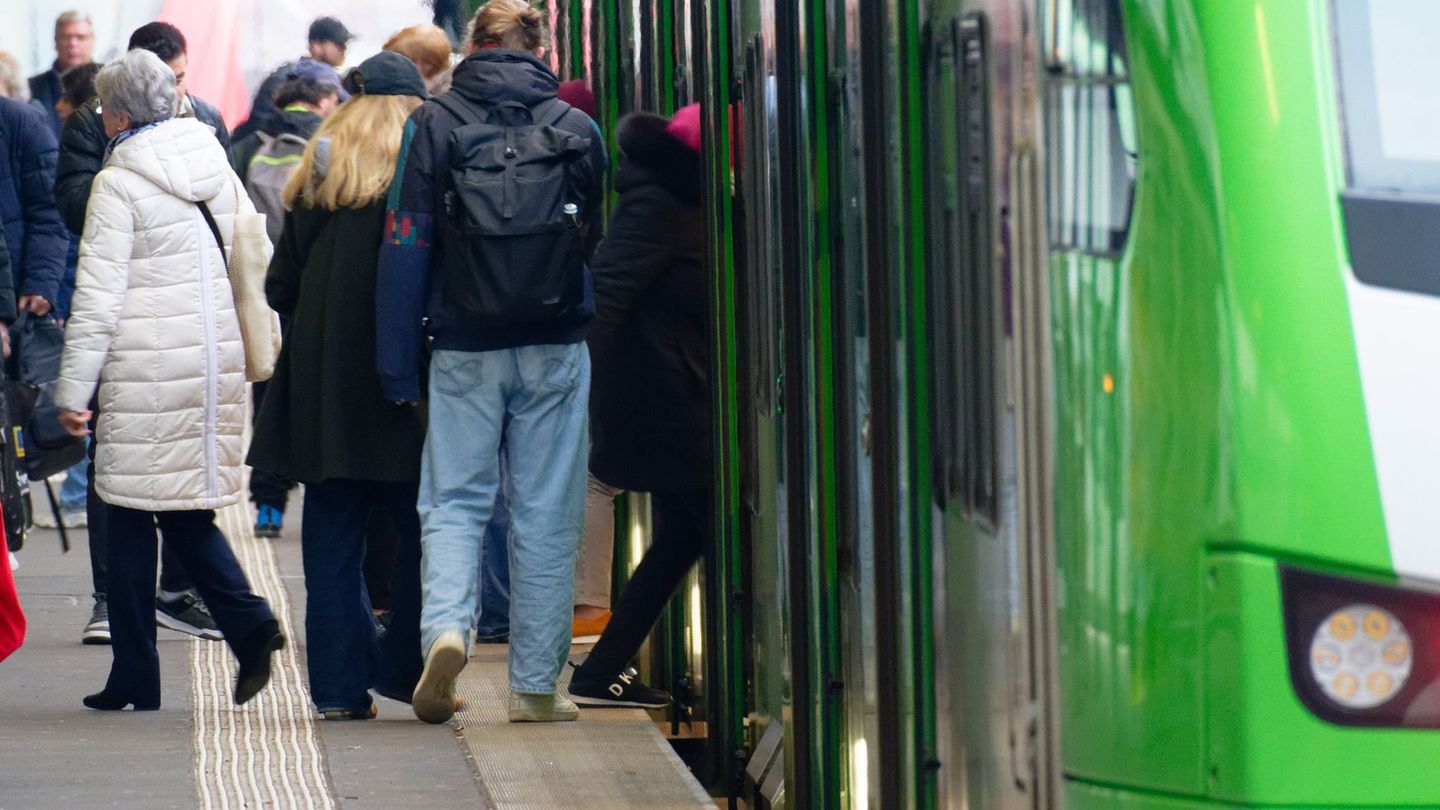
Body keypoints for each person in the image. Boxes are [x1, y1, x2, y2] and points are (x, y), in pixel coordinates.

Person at [377, 0, 606, 725]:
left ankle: (446, 628)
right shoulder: (576, 128)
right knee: (547, 509)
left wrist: (395, 362)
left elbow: (406, 242)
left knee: (453, 499)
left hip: (464, 343)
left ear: (473, 45)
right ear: (542, 49)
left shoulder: (433, 123)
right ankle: (537, 687)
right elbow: (593, 238)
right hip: (556, 343)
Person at [55, 48, 283, 711]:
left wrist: (73, 395)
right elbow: (256, 253)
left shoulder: (118, 182)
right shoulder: (215, 161)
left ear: (119, 114)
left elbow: (97, 299)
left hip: (146, 370)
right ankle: (150, 667)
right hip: (214, 366)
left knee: (133, 505)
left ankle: (236, 627)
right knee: (170, 509)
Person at [247, 51, 428, 721]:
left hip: (324, 388)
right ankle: (405, 667)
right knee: (417, 532)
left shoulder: (319, 175)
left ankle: (336, 689)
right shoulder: (426, 173)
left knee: (332, 537)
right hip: (407, 381)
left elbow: (280, 286)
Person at [54, 21, 231, 645]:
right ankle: (116, 604)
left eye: (182, 80)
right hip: (133, 329)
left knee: (184, 472)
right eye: (169, 82)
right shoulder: (95, 135)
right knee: (117, 471)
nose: (178, 94)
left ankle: (181, 595)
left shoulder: (207, 125)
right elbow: (73, 209)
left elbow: (241, 243)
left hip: (191, 327)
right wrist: (121, 171)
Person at [567, 104, 709, 709]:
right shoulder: (658, 204)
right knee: (698, 527)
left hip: (677, 393)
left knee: (686, 533)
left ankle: (602, 670)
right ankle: (597, 668)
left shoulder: (678, 200)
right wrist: (581, 392)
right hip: (663, 399)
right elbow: (611, 288)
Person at [30, 61, 103, 536]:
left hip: (78, 293)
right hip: (77, 289)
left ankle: (76, 491)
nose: (57, 105)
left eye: (65, 97)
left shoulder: (76, 149)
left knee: (80, 392)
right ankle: (77, 490)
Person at [28, 10, 96, 138]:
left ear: (92, 41)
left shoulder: (108, 85)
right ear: (55, 41)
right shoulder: (32, 88)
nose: (72, 44)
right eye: (66, 37)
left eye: (80, 37)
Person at [383, 24, 455, 96]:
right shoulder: (376, 85)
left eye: (428, 64)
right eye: (408, 59)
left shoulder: (440, 102)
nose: (417, 68)